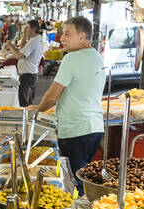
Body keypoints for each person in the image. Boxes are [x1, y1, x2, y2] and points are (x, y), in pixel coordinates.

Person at [26, 16, 106, 196]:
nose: (62, 38)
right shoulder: (97, 56)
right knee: (83, 178)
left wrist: (37, 112)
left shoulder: (71, 59)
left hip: (75, 130)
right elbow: (79, 93)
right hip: (95, 129)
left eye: (67, 34)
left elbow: (52, 96)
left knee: (73, 183)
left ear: (83, 36)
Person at [6, 19, 44, 106]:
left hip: (27, 75)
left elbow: (19, 56)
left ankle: (27, 119)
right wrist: (24, 36)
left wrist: (11, 47)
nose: (25, 29)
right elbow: (22, 49)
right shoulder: (34, 39)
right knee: (27, 101)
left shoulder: (34, 42)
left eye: (27, 28)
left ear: (33, 28)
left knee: (24, 103)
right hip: (30, 73)